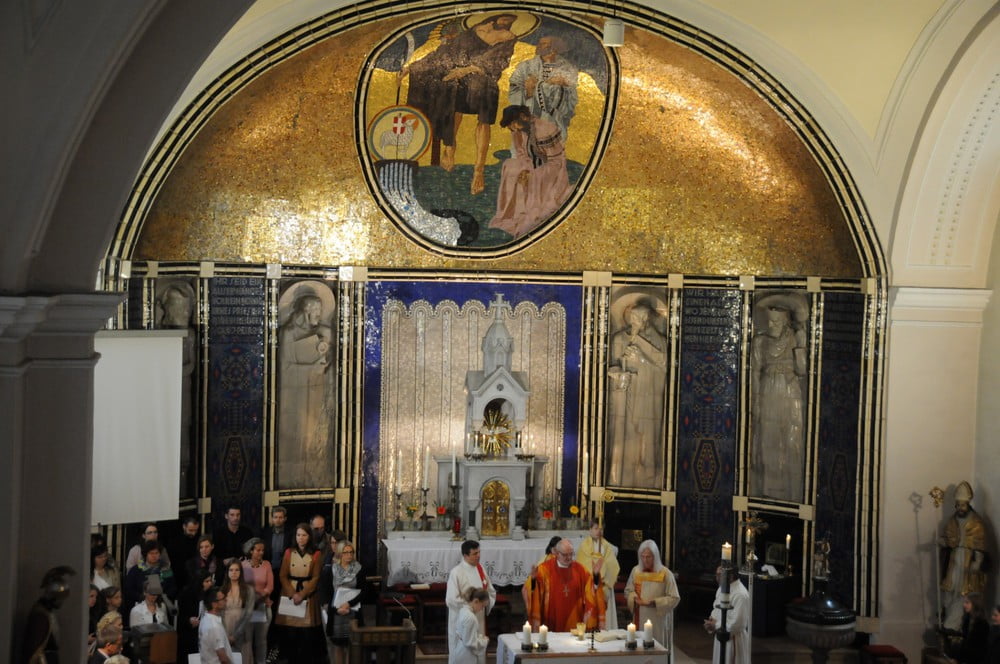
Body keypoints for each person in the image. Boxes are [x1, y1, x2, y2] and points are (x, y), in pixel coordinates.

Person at [400, 14, 520, 195]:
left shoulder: (508, 38)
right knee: (450, 93)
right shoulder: (472, 32)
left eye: (510, 21)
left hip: (483, 79)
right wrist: (411, 67)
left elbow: (499, 61)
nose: (506, 22)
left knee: (483, 118)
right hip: (459, 77)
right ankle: (450, 147)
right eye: (504, 18)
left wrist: (467, 69)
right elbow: (444, 53)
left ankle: (478, 170)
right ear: (494, 19)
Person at [749, 295, 808, 502]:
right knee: (768, 437)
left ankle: (791, 490)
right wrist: (756, 400)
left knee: (791, 438)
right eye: (769, 321)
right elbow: (755, 372)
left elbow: (802, 370)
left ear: (785, 322)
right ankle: (769, 489)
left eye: (776, 321)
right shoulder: (760, 342)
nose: (771, 325)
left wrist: (801, 346)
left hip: (790, 390)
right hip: (768, 390)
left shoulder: (795, 339)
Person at [606, 299, 667, 488]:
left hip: (647, 394)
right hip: (625, 393)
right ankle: (619, 477)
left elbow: (664, 369)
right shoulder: (619, 339)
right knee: (623, 434)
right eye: (633, 316)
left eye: (640, 317)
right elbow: (612, 365)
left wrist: (641, 359)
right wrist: (618, 373)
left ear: (647, 319)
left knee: (646, 437)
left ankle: (647, 477)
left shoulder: (658, 341)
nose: (635, 321)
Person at [487, 104, 572, 239]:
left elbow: (556, 162)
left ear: (523, 117)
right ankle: (511, 213)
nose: (513, 129)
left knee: (534, 184)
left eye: (514, 124)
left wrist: (532, 175)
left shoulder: (545, 129)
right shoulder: (518, 131)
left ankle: (528, 210)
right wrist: (525, 170)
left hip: (552, 171)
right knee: (509, 166)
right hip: (532, 167)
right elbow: (522, 154)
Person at [278, 291, 334, 488]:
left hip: (316, 392)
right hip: (294, 396)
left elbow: (329, 365)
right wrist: (311, 368)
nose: (319, 314)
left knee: (314, 435)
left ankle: (312, 476)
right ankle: (290, 478)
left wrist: (324, 364)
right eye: (316, 310)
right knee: (296, 434)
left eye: (321, 310)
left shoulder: (323, 332)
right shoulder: (288, 333)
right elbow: (285, 368)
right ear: (305, 311)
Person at [508, 35, 579, 141]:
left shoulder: (566, 67)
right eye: (539, 43)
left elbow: (571, 91)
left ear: (554, 47)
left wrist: (550, 85)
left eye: (544, 44)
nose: (539, 46)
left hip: (553, 118)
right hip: (528, 113)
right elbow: (514, 86)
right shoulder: (526, 66)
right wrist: (528, 92)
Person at [526, 538, 605, 632]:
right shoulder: (545, 569)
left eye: (571, 554)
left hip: (575, 621)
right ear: (556, 553)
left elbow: (591, 589)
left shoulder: (580, 570)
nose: (569, 558)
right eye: (565, 555)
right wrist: (533, 580)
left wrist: (595, 576)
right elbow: (533, 592)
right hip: (552, 620)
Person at [940, 481, 988, 631]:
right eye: (958, 505)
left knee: (963, 592)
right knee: (950, 590)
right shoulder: (953, 520)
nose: (960, 508)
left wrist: (977, 562)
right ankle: (948, 621)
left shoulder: (976, 523)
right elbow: (949, 539)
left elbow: (980, 544)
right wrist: (942, 541)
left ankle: (953, 625)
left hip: (968, 560)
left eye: (963, 505)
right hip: (955, 559)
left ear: (968, 504)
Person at [275, 523, 325, 663]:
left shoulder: (316, 554)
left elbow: (316, 577)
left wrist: (302, 594)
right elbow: (282, 576)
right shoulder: (289, 552)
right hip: (290, 593)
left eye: (304, 535)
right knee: (290, 633)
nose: (301, 538)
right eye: (298, 535)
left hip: (307, 594)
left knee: (306, 634)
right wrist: (293, 594)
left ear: (309, 537)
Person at [625, 540, 680, 650]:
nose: (645, 560)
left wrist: (655, 603)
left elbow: (674, 598)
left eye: (648, 557)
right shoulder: (636, 571)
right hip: (639, 616)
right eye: (643, 556)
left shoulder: (665, 573)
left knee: (657, 648)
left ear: (655, 556)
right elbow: (628, 590)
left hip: (658, 620)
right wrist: (634, 598)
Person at [447, 540, 496, 657]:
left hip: (479, 617)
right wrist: (471, 606)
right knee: (462, 654)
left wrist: (485, 602)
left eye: (479, 552)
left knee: (478, 655)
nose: (478, 556)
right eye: (475, 554)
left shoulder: (480, 569)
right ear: (465, 555)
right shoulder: (456, 572)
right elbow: (451, 599)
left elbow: (491, 592)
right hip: (462, 619)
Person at [576, 521, 620, 629]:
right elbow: (582, 563)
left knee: (606, 618)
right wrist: (596, 574)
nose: (599, 531)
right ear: (590, 530)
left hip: (605, 585)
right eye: (596, 528)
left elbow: (612, 564)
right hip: (589, 586)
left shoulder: (607, 546)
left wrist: (601, 573)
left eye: (601, 529)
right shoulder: (584, 546)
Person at [704, 566, 750, 664]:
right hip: (720, 634)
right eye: (716, 574)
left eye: (719, 575)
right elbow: (716, 608)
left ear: (731, 576)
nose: (716, 578)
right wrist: (711, 620)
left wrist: (716, 625)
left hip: (733, 639)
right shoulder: (722, 588)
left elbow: (738, 623)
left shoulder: (740, 594)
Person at [327, 540, 362, 664]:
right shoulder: (332, 569)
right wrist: (336, 609)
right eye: (346, 552)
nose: (349, 555)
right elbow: (328, 593)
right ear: (340, 554)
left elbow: (364, 592)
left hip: (353, 611)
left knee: (352, 646)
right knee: (338, 646)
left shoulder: (358, 568)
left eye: (351, 552)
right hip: (337, 612)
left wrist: (349, 604)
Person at [122, 541, 176, 623]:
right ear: (145, 554)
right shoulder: (136, 570)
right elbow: (129, 590)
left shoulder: (165, 569)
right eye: (151, 553)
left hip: (160, 607)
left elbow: (172, 588)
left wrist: (160, 598)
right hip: (140, 608)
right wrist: (144, 598)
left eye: (156, 553)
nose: (154, 556)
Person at [241, 538, 274, 664]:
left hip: (263, 605)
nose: (261, 553)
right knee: (247, 640)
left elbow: (270, 586)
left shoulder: (267, 564)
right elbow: (241, 586)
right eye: (258, 550)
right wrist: (250, 600)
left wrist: (259, 598)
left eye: (262, 550)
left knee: (261, 641)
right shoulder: (243, 565)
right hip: (247, 607)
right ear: (251, 551)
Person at [220, 558, 254, 664]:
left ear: (241, 572)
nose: (234, 573)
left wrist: (236, 635)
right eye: (231, 570)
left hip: (242, 628)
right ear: (227, 572)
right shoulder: (222, 590)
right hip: (225, 627)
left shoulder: (248, 590)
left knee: (242, 658)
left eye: (237, 570)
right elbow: (219, 614)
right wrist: (226, 635)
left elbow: (248, 613)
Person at [177, 569, 214, 661]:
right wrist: (189, 620)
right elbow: (180, 618)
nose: (210, 584)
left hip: (206, 634)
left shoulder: (211, 594)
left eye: (210, 581)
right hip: (190, 635)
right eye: (206, 581)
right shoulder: (186, 594)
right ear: (199, 582)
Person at [944, 592, 989, 663]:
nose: (964, 605)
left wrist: (959, 660)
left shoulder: (982, 624)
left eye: (967, 603)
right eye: (964, 602)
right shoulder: (968, 619)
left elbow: (976, 649)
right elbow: (965, 641)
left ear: (975, 604)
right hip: (966, 657)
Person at [450, 587, 490, 664]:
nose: (482, 609)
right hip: (466, 655)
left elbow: (466, 636)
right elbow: (470, 643)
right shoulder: (471, 618)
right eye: (482, 606)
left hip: (460, 648)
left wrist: (479, 637)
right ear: (476, 601)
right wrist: (484, 641)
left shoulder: (463, 610)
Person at [199, 586, 235, 664]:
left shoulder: (205, 619)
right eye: (223, 598)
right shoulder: (214, 626)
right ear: (214, 604)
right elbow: (223, 658)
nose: (226, 600)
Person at [167, 516, 202, 588]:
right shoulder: (175, 542)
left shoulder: (199, 540)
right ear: (184, 527)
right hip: (180, 576)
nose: (193, 533)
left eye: (195, 530)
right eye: (190, 530)